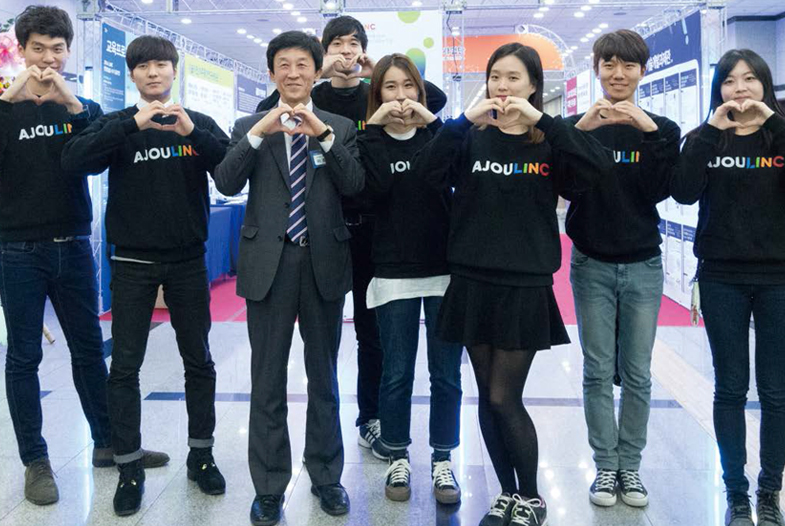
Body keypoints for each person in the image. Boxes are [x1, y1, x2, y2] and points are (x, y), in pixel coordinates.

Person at [413, 42, 612, 526]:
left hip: (524, 284)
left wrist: (545, 121)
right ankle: (506, 494)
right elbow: (424, 174)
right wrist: (463, 120)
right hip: (472, 279)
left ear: (533, 85)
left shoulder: (548, 142)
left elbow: (599, 171)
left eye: (513, 78)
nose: (502, 86)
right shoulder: (471, 137)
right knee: (487, 397)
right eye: (495, 76)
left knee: (505, 396)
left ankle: (532, 498)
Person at [256, 17, 447, 459]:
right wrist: (317, 71)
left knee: (371, 331)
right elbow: (269, 109)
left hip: (373, 230)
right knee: (322, 337)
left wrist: (377, 70)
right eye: (337, 44)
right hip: (324, 228)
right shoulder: (315, 94)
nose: (346, 51)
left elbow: (430, 97)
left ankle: (371, 417)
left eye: (354, 43)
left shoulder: (373, 93)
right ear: (323, 52)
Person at [0, 6, 167, 508]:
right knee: (24, 357)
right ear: (21, 50)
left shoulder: (84, 108)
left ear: (69, 52)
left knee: (90, 351)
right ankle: (36, 461)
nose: (48, 59)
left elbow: (96, 155)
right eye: (38, 49)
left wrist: (70, 102)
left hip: (74, 245)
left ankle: (108, 443)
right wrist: (9, 98)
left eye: (57, 49)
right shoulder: (4, 109)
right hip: (16, 251)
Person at [62, 35, 229, 516]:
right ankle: (129, 466)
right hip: (132, 263)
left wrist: (192, 134)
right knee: (125, 367)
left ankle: (202, 456)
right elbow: (74, 161)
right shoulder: (117, 123)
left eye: (161, 64)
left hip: (188, 261)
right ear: (132, 74)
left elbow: (232, 172)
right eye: (143, 66)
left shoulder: (196, 123)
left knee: (199, 361)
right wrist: (131, 124)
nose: (153, 73)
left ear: (175, 70)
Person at [213, 31, 364, 526]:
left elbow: (355, 184)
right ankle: (269, 486)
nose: (294, 72)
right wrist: (260, 130)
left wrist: (323, 134)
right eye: (284, 63)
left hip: (323, 263)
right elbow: (226, 181)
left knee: (325, 377)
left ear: (317, 71)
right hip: (268, 268)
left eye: (303, 64)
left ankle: (326, 476)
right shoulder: (248, 125)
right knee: (266, 379)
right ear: (271, 71)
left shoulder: (340, 125)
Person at [565, 29, 681, 508]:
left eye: (628, 65)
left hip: (643, 264)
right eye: (609, 64)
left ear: (642, 71)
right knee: (596, 370)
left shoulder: (663, 129)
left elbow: (660, 189)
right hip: (591, 263)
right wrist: (581, 131)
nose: (618, 73)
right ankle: (605, 467)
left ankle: (629, 466)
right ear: (596, 69)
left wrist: (649, 133)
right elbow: (565, 185)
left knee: (637, 372)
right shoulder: (576, 126)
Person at [671, 48, 785, 526]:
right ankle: (736, 492)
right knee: (731, 387)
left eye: (749, 79)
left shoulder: (779, 134)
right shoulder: (707, 138)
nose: (740, 89)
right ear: (718, 89)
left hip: (779, 278)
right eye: (729, 80)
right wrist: (707, 132)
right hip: (721, 277)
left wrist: (774, 123)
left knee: (777, 392)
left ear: (765, 84)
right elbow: (682, 192)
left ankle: (769, 492)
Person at [358, 53, 463, 505]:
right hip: (393, 269)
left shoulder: (438, 136)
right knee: (396, 373)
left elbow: (451, 171)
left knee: (447, 375)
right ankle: (397, 454)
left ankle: (443, 458)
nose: (400, 98)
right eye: (389, 87)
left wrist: (430, 120)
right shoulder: (369, 141)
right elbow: (376, 189)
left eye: (408, 87)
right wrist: (373, 128)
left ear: (421, 93)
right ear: (376, 95)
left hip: (443, 269)